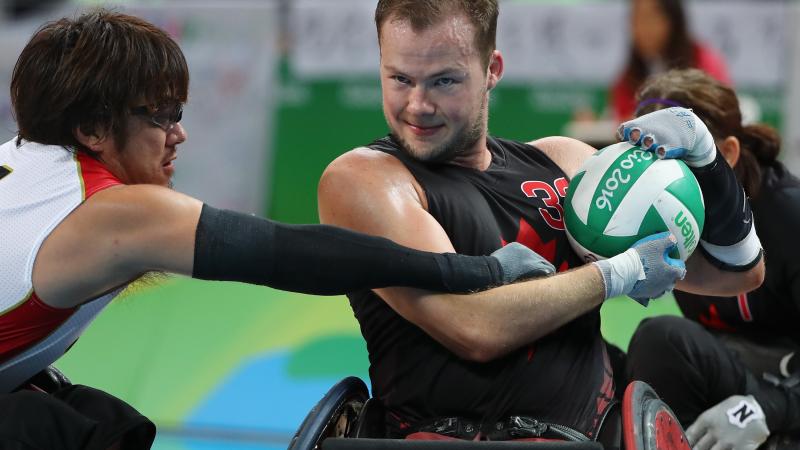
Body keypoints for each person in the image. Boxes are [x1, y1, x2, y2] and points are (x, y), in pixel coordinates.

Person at [0, 9, 568, 450]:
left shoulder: (20, 162)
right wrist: (479, 268)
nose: (180, 135)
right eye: (163, 116)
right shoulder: (110, 211)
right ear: (94, 128)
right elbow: (292, 254)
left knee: (99, 424)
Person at [317, 0, 764, 444]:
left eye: (444, 81)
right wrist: (618, 273)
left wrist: (706, 158)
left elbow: (736, 274)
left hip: (603, 431)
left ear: (492, 69)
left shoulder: (563, 161)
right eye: (400, 79)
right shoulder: (365, 181)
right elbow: (473, 327)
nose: (418, 104)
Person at [625, 68, 800, 450]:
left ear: (729, 154)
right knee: (655, 345)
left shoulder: (790, 215)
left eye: (671, 160)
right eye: (643, 162)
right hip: (735, 376)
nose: (654, 178)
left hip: (788, 397)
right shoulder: (654, 214)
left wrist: (765, 409)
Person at [610, 0, 731, 122]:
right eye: (635, 19)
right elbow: (623, 119)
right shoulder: (629, 76)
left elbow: (719, 112)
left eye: (649, 17)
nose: (641, 27)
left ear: (672, 19)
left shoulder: (703, 61)